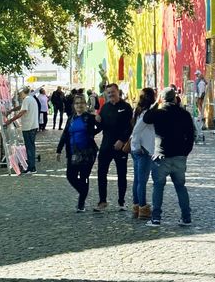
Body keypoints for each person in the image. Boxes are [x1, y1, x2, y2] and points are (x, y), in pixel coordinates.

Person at [143, 87, 195, 226]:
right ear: (174, 98)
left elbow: (146, 118)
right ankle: (186, 217)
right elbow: (191, 135)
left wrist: (155, 103)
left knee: (158, 187)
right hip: (179, 156)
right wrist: (186, 152)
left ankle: (156, 218)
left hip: (162, 156)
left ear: (162, 99)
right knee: (180, 187)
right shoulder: (184, 114)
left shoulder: (159, 113)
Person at [56, 93, 100, 211]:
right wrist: (59, 150)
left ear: (85, 104)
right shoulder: (71, 118)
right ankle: (83, 192)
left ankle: (81, 203)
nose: (79, 105)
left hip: (88, 152)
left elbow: (100, 126)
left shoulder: (89, 117)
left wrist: (92, 133)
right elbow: (65, 134)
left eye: (81, 103)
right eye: (77, 103)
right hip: (73, 152)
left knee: (84, 176)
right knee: (71, 176)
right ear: (74, 105)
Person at [93, 83, 133, 212]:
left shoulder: (126, 107)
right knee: (101, 173)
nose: (111, 95)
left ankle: (121, 201)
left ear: (118, 92)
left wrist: (122, 140)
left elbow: (130, 127)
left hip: (120, 147)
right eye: (108, 93)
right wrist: (96, 121)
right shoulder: (105, 107)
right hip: (106, 145)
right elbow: (100, 127)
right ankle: (102, 201)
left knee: (122, 174)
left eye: (113, 92)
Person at [129, 88, 156, 220]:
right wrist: (137, 145)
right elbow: (136, 130)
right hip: (143, 149)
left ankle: (136, 206)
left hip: (137, 149)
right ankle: (143, 208)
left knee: (137, 180)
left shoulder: (138, 111)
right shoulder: (146, 114)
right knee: (142, 181)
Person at [5, 86, 39, 174]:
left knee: (29, 147)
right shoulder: (30, 99)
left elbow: (22, 112)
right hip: (32, 126)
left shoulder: (27, 99)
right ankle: (32, 166)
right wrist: (11, 110)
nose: (19, 96)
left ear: (23, 93)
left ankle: (31, 168)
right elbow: (21, 107)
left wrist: (10, 120)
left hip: (29, 127)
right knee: (30, 146)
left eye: (19, 94)